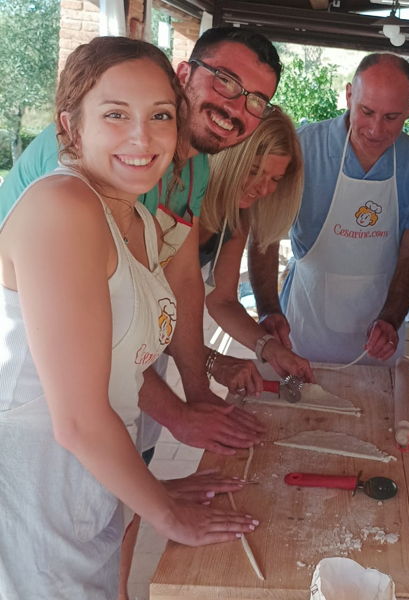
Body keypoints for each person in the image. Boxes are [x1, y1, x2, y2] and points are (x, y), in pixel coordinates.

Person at [0, 37, 259, 598]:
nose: (142, 138)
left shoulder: (136, 218)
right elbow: (76, 418)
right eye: (116, 114)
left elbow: (123, 365)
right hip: (30, 496)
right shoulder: (62, 207)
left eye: (160, 116)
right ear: (70, 126)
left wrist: (150, 487)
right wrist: (167, 512)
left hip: (89, 487)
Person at [0, 26, 288, 457]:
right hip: (35, 397)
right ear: (184, 74)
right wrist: (178, 415)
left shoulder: (194, 170)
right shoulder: (91, 164)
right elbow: (101, 334)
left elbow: (184, 279)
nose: (235, 107)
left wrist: (196, 387)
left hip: (119, 393)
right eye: (225, 80)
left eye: (255, 100)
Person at [248, 53, 409, 366]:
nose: (376, 130)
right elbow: (264, 235)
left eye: (392, 117)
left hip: (377, 334)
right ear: (349, 95)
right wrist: (269, 309)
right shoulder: (304, 147)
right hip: (303, 324)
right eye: (366, 111)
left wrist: (390, 320)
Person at [200, 107, 314, 387]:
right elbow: (150, 316)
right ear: (231, 158)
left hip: (171, 348)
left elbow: (222, 300)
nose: (262, 189)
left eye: (275, 179)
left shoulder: (237, 215)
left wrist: (270, 349)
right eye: (254, 171)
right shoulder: (188, 199)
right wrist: (211, 361)